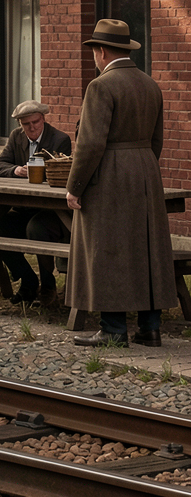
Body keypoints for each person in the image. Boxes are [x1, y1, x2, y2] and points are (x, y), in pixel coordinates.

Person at [68, 19, 174, 347]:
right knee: (146, 248)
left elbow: (90, 144)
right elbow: (157, 140)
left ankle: (113, 329)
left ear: (101, 51)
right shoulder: (150, 85)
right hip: (146, 170)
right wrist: (143, 168)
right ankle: (150, 328)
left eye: (94, 52)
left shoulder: (101, 86)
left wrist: (75, 186)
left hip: (109, 174)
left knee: (108, 247)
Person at [0, 100, 72, 303]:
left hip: (52, 211)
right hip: (25, 206)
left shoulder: (59, 139)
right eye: (26, 124)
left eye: (35, 122)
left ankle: (48, 285)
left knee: (37, 229)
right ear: (20, 124)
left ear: (43, 119)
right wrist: (15, 170)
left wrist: (38, 173)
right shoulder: (16, 137)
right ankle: (28, 281)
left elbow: (61, 171)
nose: (32, 128)